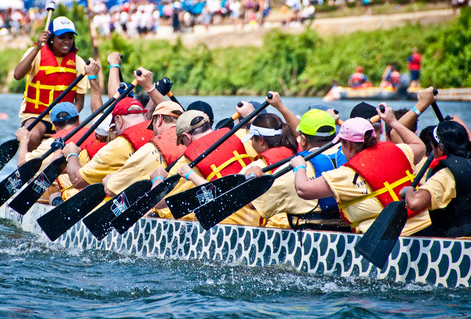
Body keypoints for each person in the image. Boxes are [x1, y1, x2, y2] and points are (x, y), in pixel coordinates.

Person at [289, 106, 433, 236]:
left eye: (341, 145)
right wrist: (393, 122)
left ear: (349, 146)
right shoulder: (398, 150)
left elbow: (303, 190)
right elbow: (419, 146)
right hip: (424, 228)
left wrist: (299, 166)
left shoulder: (348, 174)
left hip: (387, 238)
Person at [151, 110, 259, 225]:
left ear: (186, 137)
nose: (184, 146)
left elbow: (158, 202)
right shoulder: (241, 136)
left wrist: (157, 179)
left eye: (182, 142)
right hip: (257, 218)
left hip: (227, 224)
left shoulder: (187, 163)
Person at [13, 16, 96, 151]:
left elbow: (79, 102)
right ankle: (28, 167)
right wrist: (36, 48)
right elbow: (17, 75)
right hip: (37, 117)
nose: (67, 41)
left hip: (65, 118)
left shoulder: (78, 62)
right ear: (51, 38)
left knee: (86, 138)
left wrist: (67, 118)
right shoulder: (36, 53)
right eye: (62, 37)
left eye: (70, 37)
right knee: (32, 136)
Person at [63, 95, 153, 190]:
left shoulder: (115, 147)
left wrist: (71, 155)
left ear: (120, 120)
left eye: (114, 126)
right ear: (144, 116)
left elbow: (77, 181)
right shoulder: (156, 134)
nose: (115, 131)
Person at [15, 102, 95, 205]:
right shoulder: (96, 135)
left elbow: (22, 166)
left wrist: (24, 140)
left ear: (54, 126)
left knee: (41, 177)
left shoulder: (52, 143)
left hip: (74, 194)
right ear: (78, 119)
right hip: (96, 190)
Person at [401, 120, 471, 237]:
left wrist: (407, 190)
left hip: (458, 243)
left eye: (433, 147)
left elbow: (414, 202)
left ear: (440, 148)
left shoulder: (446, 175)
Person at [103, 101, 185, 197]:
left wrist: (108, 182)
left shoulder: (151, 149)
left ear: (159, 119)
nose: (154, 133)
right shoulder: (190, 139)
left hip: (162, 208)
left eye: (152, 126)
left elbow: (111, 189)